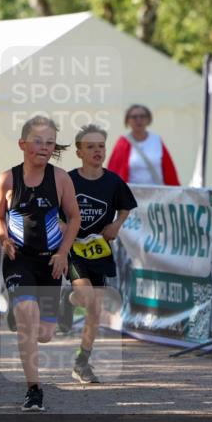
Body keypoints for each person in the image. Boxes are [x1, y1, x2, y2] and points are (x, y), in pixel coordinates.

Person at [0, 115, 80, 411]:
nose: (44, 147)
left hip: (50, 261)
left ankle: (27, 311)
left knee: (44, 334)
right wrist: (4, 238)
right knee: (28, 317)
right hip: (19, 260)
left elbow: (74, 217)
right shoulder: (6, 179)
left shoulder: (60, 179)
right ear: (23, 144)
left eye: (50, 142)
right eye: (38, 141)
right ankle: (34, 390)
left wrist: (63, 253)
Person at [59, 124, 136, 384]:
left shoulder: (113, 181)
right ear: (79, 152)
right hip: (74, 250)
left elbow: (126, 207)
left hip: (100, 251)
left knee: (95, 309)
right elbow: (52, 212)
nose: (97, 151)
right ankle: (72, 299)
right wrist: (63, 227)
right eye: (90, 147)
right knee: (89, 298)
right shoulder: (68, 180)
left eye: (101, 146)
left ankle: (82, 362)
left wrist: (116, 224)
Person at [106, 104, 180, 186]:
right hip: (131, 194)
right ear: (128, 120)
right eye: (134, 117)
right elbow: (114, 171)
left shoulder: (156, 140)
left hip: (157, 194)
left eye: (142, 116)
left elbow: (169, 170)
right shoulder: (123, 142)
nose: (139, 120)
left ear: (148, 119)